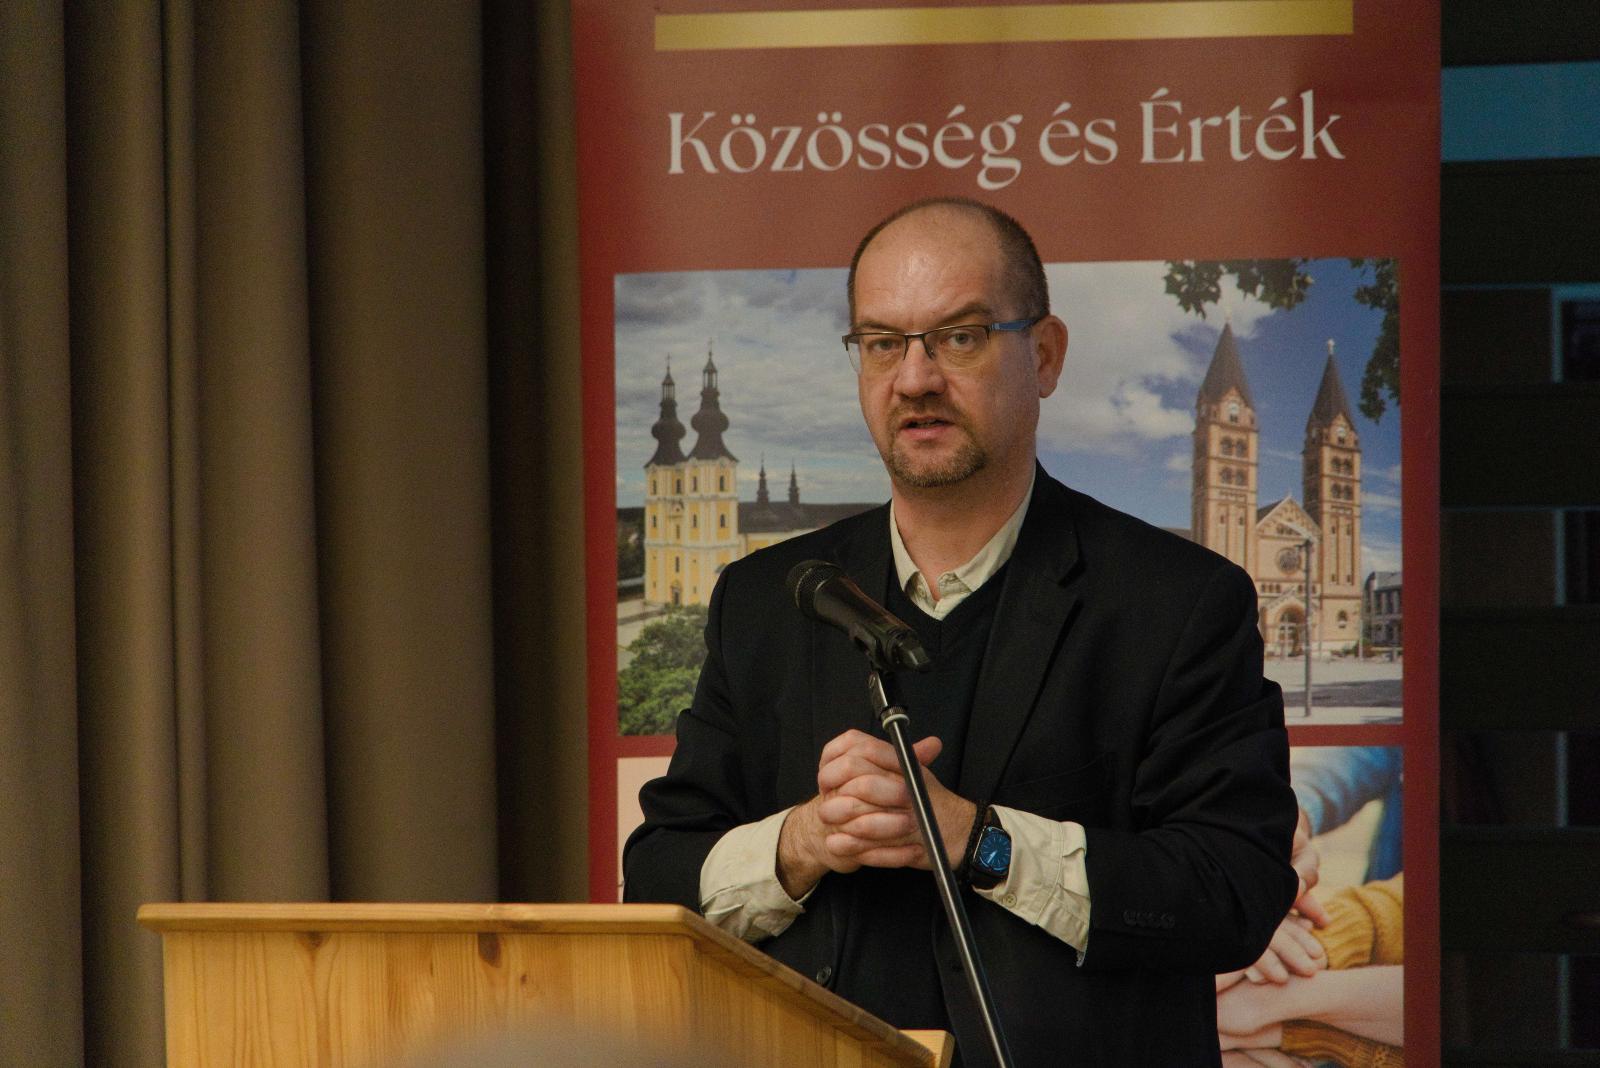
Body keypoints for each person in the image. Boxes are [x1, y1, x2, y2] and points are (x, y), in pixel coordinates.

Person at [623, 197, 1298, 1066]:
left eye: (960, 336)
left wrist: (978, 840)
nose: (914, 379)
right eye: (882, 343)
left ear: (1044, 355)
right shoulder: (766, 599)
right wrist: (807, 840)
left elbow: (1233, 891)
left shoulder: (1179, 602)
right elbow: (659, 878)